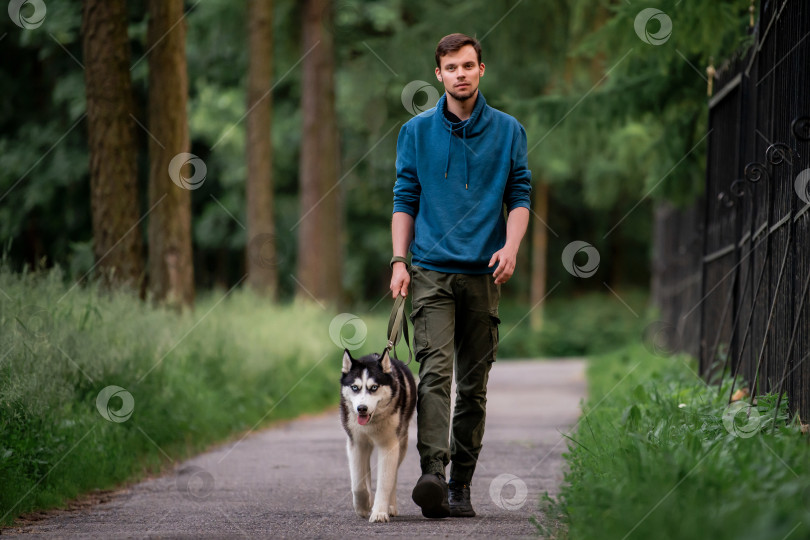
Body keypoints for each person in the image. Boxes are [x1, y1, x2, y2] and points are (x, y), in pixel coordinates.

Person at [389, 32, 531, 519]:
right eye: (452, 68)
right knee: (434, 374)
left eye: (468, 66)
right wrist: (399, 261)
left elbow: (520, 195)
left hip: (483, 274)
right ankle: (432, 473)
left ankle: (460, 485)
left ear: (481, 69)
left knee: (473, 385)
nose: (461, 74)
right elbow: (405, 199)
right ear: (439, 75)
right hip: (429, 270)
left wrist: (511, 248)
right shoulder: (415, 133)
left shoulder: (510, 130)